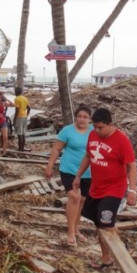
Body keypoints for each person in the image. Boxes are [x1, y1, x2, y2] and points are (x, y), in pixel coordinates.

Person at [73, 107, 137, 269]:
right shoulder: (93, 135)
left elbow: (132, 166)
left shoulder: (122, 140)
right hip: (96, 187)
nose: (97, 130)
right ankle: (107, 257)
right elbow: (88, 156)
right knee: (99, 223)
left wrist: (132, 190)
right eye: (95, 126)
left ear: (110, 124)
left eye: (101, 127)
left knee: (106, 223)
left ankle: (119, 258)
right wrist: (78, 176)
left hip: (115, 188)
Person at [45, 105, 93, 246]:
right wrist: (49, 166)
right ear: (75, 117)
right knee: (74, 197)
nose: (82, 119)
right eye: (79, 116)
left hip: (88, 172)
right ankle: (70, 232)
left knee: (82, 200)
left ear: (89, 119)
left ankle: (77, 229)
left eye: (85, 117)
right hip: (69, 169)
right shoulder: (67, 131)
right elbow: (56, 149)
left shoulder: (94, 131)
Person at [13, 86, 31, 151]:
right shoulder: (25, 98)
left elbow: (17, 110)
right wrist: (27, 114)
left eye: (15, 91)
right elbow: (29, 108)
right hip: (24, 117)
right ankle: (22, 148)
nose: (14, 92)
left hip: (19, 117)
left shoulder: (17, 99)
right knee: (23, 133)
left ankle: (20, 149)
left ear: (16, 92)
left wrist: (14, 119)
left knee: (20, 133)